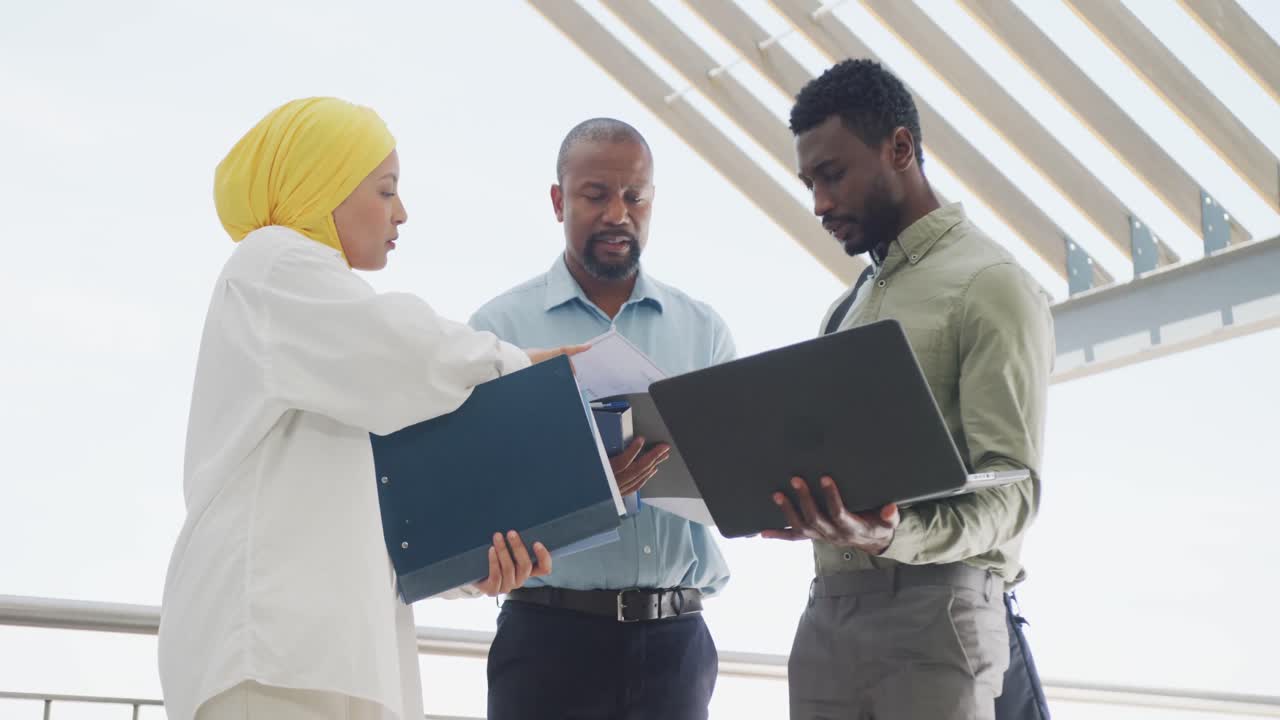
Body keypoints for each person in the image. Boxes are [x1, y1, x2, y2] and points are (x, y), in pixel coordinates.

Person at [158, 97, 582, 720]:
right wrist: (524, 368)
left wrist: (476, 566)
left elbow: (389, 508)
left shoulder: (334, 345)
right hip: (269, 652)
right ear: (320, 186)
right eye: (385, 190)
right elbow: (407, 345)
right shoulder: (271, 262)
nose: (401, 212)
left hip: (322, 656)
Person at [761, 60, 1054, 720]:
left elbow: (1013, 492)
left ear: (901, 148)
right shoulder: (846, 307)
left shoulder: (991, 284)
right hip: (826, 617)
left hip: (936, 615)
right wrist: (804, 502)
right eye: (809, 183)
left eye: (832, 175)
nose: (819, 204)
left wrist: (889, 534)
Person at [470, 118, 734, 720]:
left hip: (678, 648)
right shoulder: (498, 331)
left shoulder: (702, 331)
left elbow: (734, 476)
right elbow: (478, 494)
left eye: (634, 196)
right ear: (559, 200)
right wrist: (584, 486)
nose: (619, 212)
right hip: (547, 643)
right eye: (596, 194)